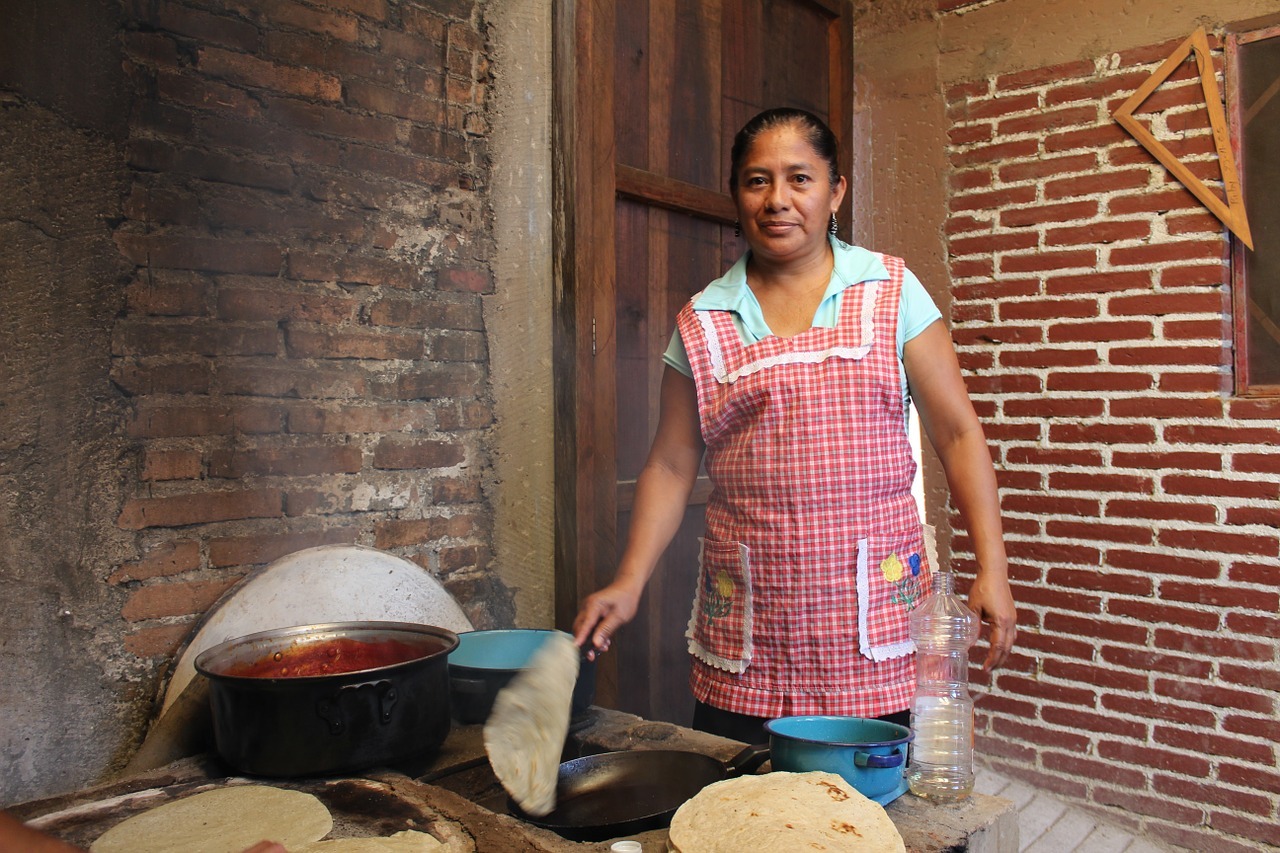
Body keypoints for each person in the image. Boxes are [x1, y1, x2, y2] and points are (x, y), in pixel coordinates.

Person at [572, 107, 1016, 744]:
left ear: (835, 191)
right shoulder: (705, 318)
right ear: (736, 194)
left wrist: (991, 567)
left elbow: (958, 433)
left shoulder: (891, 289)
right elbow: (670, 464)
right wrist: (629, 580)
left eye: (799, 179)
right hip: (756, 619)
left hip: (874, 621)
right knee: (748, 803)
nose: (777, 200)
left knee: (876, 811)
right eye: (757, 181)